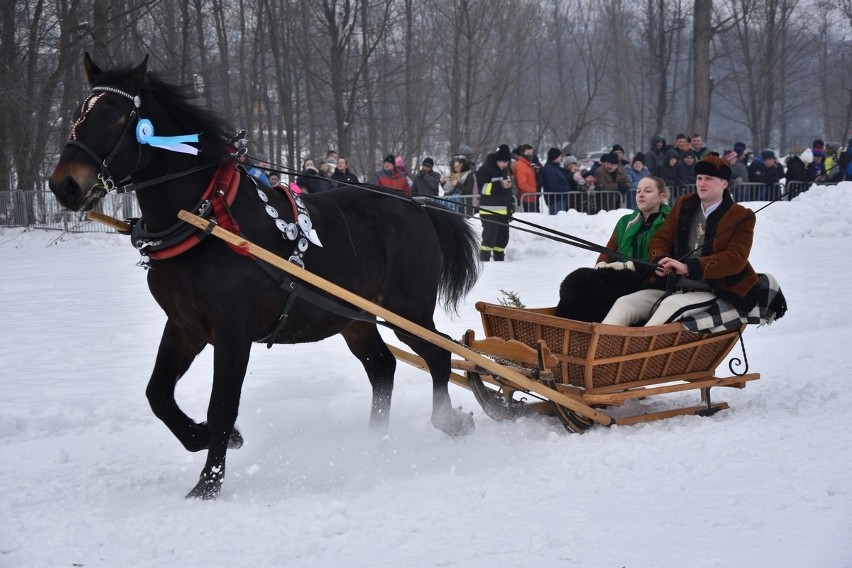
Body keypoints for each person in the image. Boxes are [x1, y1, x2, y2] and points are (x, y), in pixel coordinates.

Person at [602, 155, 760, 327]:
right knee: (624, 303)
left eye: (708, 179)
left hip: (712, 289)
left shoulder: (742, 216)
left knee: (671, 305)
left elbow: (735, 259)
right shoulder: (684, 204)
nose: (702, 183)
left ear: (724, 183)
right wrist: (659, 261)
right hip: (671, 286)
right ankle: (602, 349)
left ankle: (638, 350)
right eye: (699, 178)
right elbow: (661, 239)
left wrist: (688, 267)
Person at [597, 176, 671, 264]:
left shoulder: (670, 221)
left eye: (648, 191)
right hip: (622, 272)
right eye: (638, 191)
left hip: (653, 275)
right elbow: (609, 251)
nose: (641, 194)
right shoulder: (625, 221)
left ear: (661, 197)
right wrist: (601, 263)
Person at [476, 144, 514, 261]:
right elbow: (483, 189)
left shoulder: (505, 171)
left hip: (503, 212)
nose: (505, 164)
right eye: (503, 161)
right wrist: (500, 184)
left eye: (507, 162)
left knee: (503, 239)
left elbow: (508, 193)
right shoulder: (484, 170)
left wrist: (510, 209)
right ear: (497, 159)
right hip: (489, 211)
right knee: (489, 238)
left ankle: (499, 259)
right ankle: (484, 261)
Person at [540, 147, 572, 215]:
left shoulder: (556, 167)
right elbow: (552, 187)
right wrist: (567, 189)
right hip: (556, 201)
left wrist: (571, 173)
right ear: (555, 156)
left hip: (560, 200)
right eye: (560, 156)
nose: (561, 158)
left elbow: (564, 177)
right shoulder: (549, 170)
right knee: (558, 221)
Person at [513, 144, 539, 212]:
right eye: (528, 153)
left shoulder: (527, 165)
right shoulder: (521, 166)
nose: (530, 155)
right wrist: (534, 190)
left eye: (531, 153)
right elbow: (522, 184)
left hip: (530, 197)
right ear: (522, 153)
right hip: (525, 198)